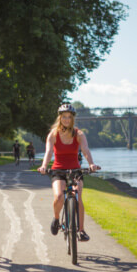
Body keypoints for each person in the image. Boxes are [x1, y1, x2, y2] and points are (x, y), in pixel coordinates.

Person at [38, 103, 100, 242]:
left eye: (69, 117)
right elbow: (48, 152)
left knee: (77, 196)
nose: (66, 119)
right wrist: (43, 166)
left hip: (75, 170)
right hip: (58, 170)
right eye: (64, 117)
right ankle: (56, 219)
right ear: (60, 118)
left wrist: (91, 164)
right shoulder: (53, 135)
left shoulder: (79, 134)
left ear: (72, 119)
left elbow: (85, 150)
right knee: (59, 196)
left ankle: (81, 230)